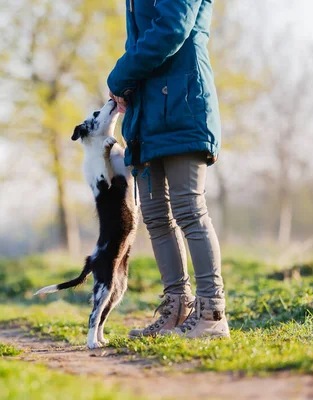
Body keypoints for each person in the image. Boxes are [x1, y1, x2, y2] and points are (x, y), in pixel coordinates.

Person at [108, 0, 229, 339]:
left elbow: (172, 29)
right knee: (157, 216)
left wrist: (119, 76)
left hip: (183, 104)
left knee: (189, 208)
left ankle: (212, 313)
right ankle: (178, 310)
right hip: (148, 111)